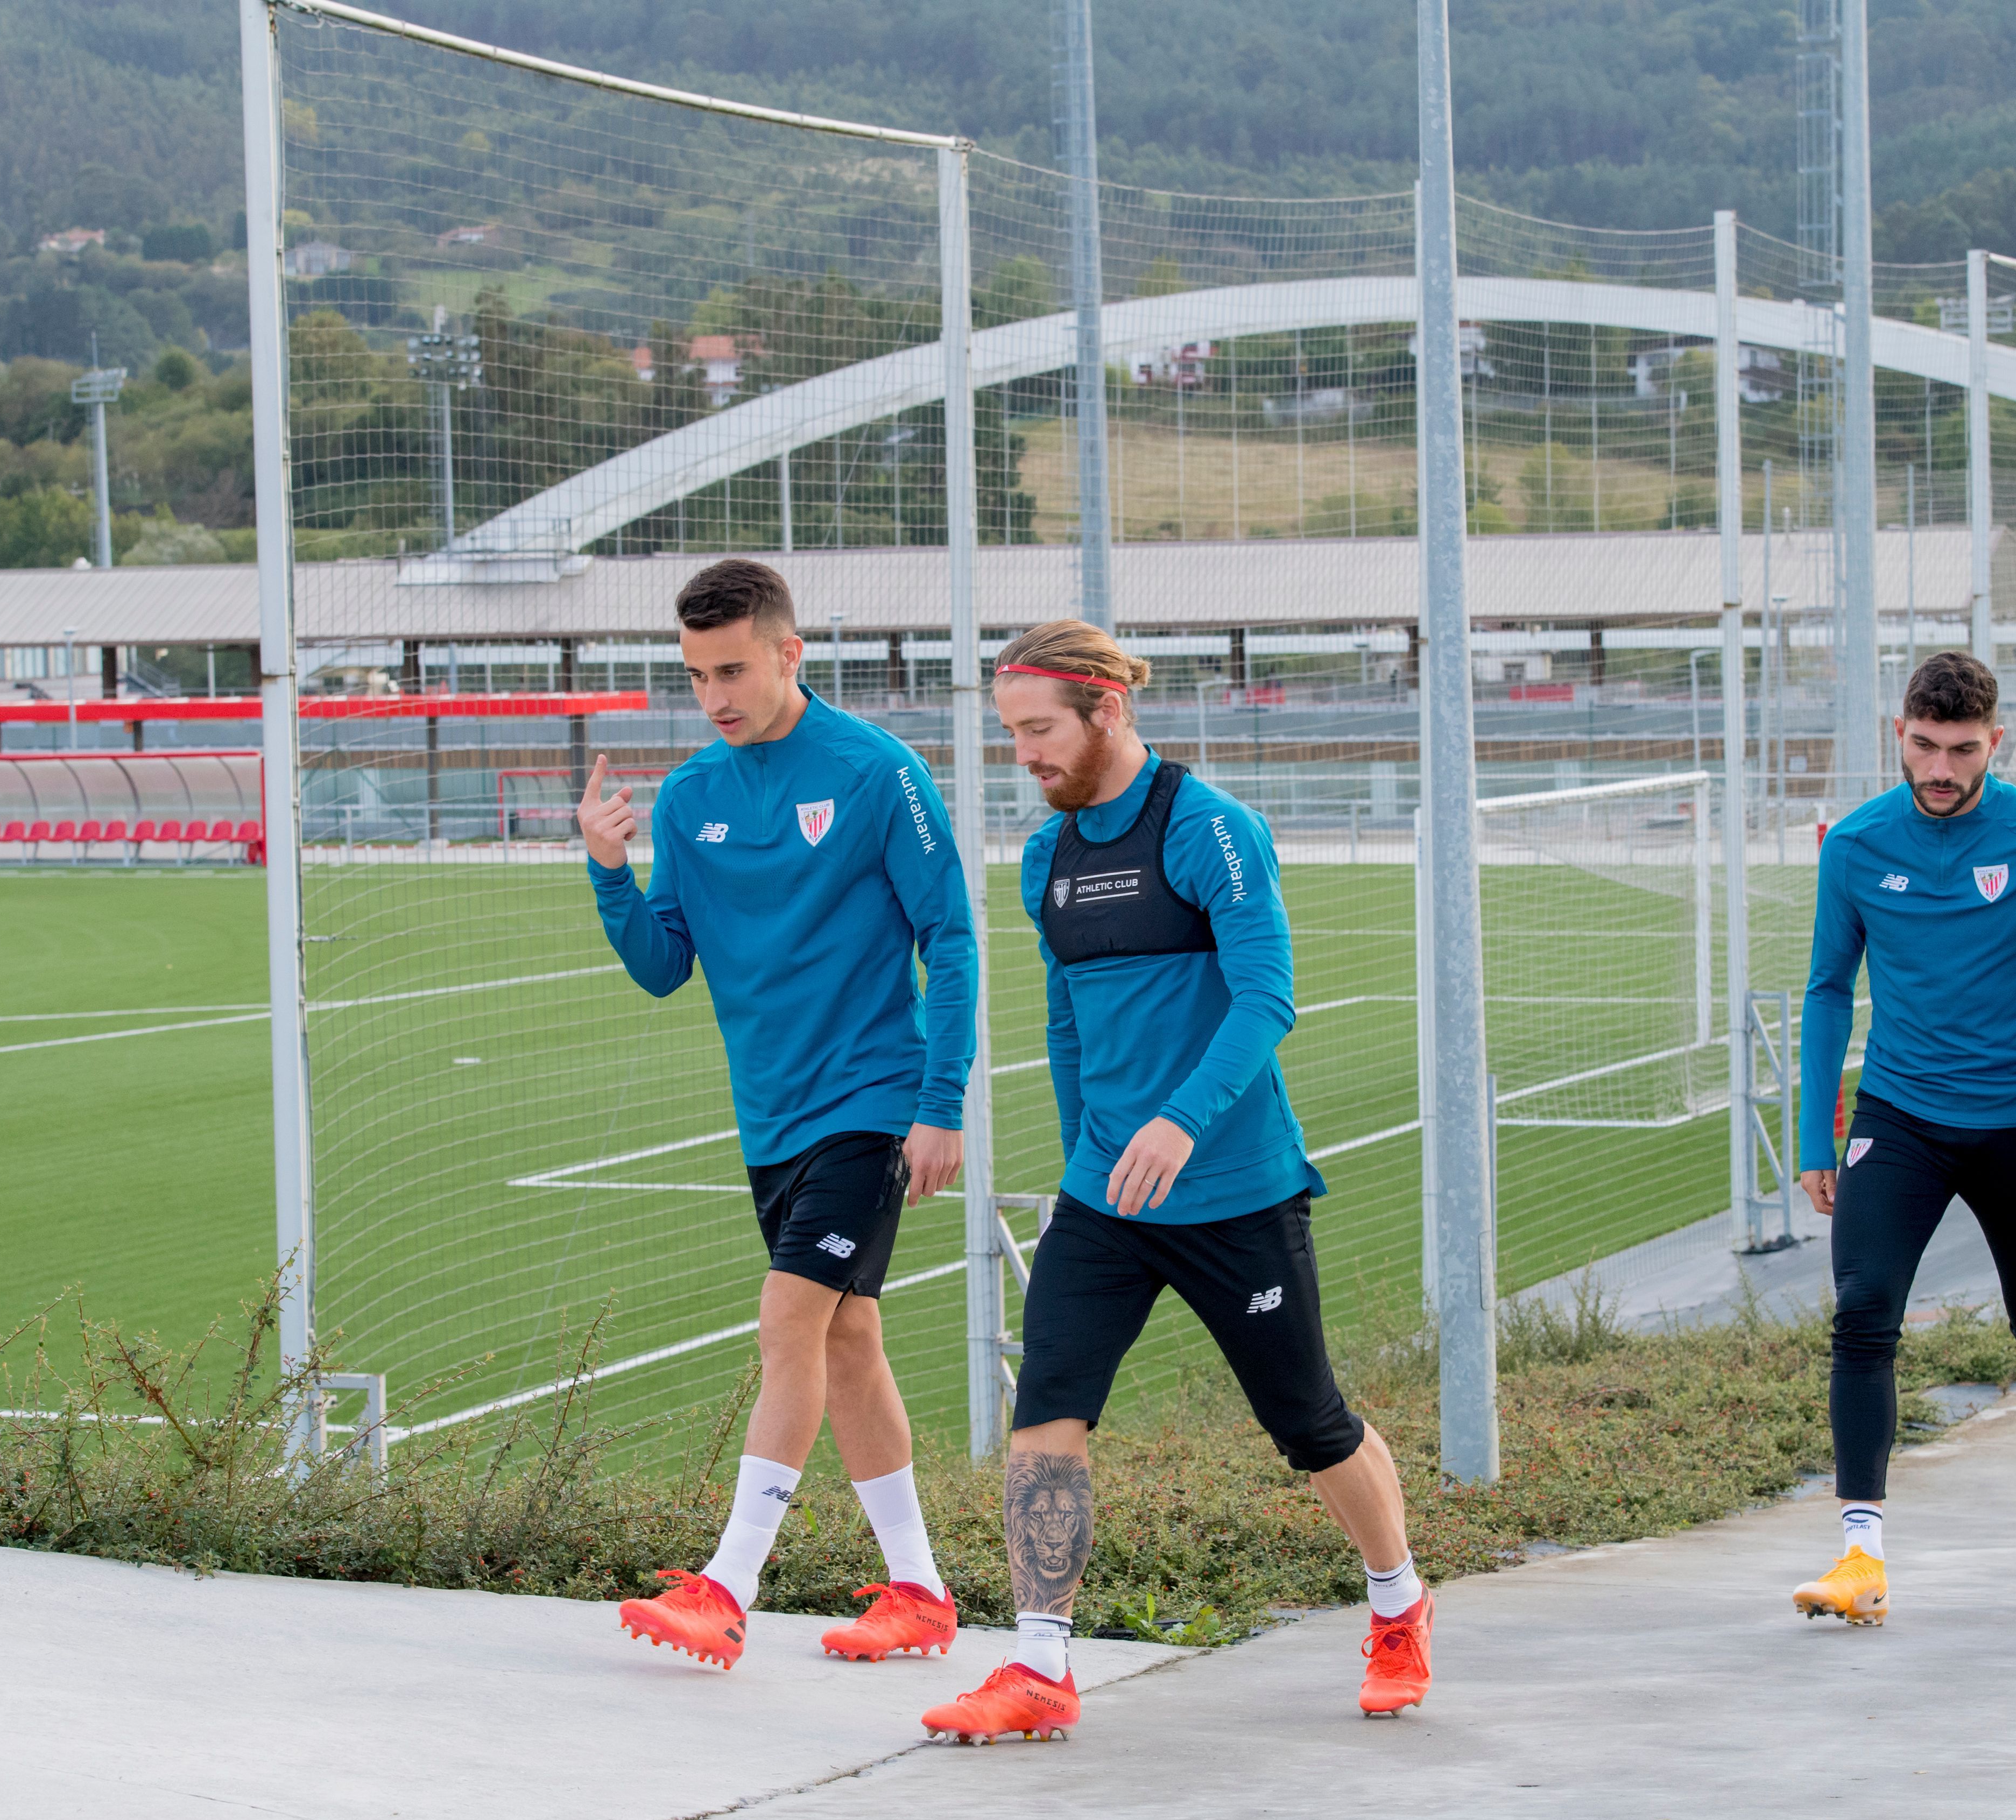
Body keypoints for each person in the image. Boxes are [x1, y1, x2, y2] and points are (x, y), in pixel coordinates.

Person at [918, 619, 1428, 1745]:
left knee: (1311, 1423)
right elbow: (1065, 1017)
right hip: (1106, 1201)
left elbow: (1266, 999)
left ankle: (1397, 1605)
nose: (1026, 756)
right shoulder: (1045, 858)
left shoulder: (1211, 831)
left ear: (1107, 711)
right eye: (1012, 735)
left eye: (1040, 731)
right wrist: (1085, 1156)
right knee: (1046, 1410)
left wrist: (1179, 1123)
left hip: (1235, 1187)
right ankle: (1041, 1663)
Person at [579, 557, 976, 1671]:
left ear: (791, 653)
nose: (716, 694)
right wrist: (610, 870)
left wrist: (940, 1105)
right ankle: (921, 1592)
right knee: (849, 1341)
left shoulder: (874, 771)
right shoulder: (695, 797)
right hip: (772, 1118)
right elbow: (665, 964)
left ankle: (727, 1585)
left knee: (791, 1319)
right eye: (698, 673)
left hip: (872, 1098)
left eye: (736, 668)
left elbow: (949, 938)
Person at [1791, 651, 2016, 1627]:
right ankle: (1859, 1555)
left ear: (1995, 744)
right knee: (1862, 1314)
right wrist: (1815, 1135)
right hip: (1901, 1118)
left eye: (1962, 750)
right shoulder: (1854, 846)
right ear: (1900, 734)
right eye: (1924, 747)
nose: (1940, 768)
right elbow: (1827, 991)